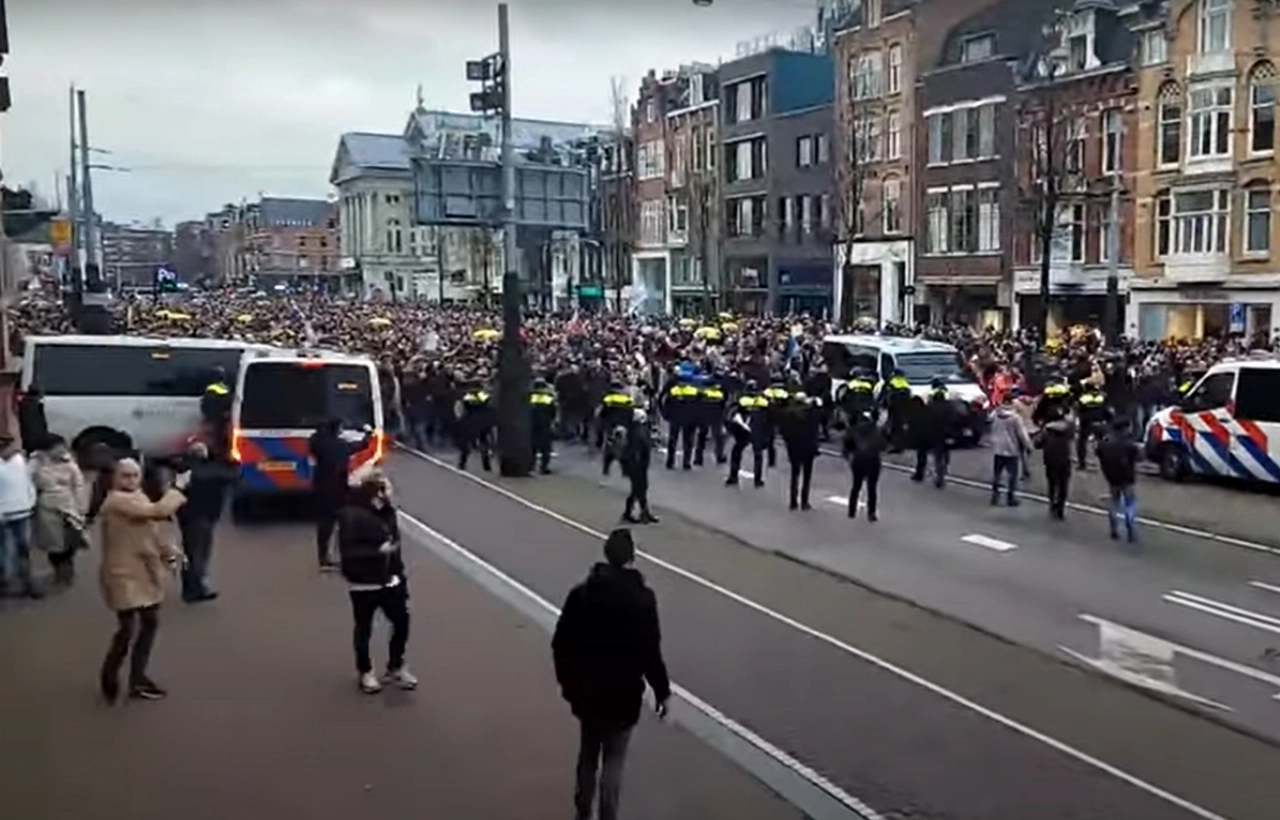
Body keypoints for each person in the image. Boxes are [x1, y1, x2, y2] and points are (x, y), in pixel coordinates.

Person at [552, 528, 671, 820]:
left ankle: (582, 811)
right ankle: (608, 814)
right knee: (615, 760)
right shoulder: (643, 600)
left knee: (588, 753)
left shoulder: (581, 594)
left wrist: (568, 682)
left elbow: (561, 642)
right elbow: (650, 651)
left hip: (587, 691)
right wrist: (661, 690)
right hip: (624, 692)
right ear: (632, 558)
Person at [96, 457, 188, 702]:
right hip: (123, 574)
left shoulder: (138, 497)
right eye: (125, 475)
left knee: (149, 624)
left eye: (136, 475)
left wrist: (170, 553)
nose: (131, 480)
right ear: (114, 477)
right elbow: (158, 512)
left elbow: (152, 529)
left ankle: (138, 679)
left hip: (145, 572)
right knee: (127, 630)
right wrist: (177, 489)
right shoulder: (115, 501)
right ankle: (109, 675)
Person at [336, 475, 416, 694]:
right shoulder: (351, 516)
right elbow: (348, 552)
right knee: (364, 628)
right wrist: (376, 552)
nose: (391, 491)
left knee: (402, 622)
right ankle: (366, 671)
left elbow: (395, 549)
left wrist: (401, 576)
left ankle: (396, 665)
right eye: (387, 488)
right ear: (377, 493)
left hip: (391, 580)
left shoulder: (389, 513)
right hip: (365, 583)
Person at [176, 439, 235, 602]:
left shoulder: (182, 469)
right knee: (199, 553)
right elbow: (232, 476)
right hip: (200, 516)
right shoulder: (203, 471)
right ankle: (196, 588)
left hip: (189, 517)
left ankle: (190, 587)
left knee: (191, 553)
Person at [30, 435, 87, 586]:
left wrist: (81, 508)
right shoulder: (35, 463)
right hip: (47, 508)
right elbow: (27, 483)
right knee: (53, 544)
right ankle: (59, 570)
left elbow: (79, 485)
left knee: (72, 540)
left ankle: (67, 565)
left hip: (69, 507)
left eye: (63, 446)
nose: (62, 450)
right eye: (57, 447)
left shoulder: (70, 463)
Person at [0, 433, 41, 599]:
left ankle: (27, 582)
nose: (6, 449)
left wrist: (31, 501)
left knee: (23, 548)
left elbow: (28, 482)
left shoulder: (20, 461)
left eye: (7, 445)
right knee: (4, 550)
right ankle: (5, 580)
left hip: (22, 512)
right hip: (3, 514)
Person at [310, 417, 353, 571]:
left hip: (321, 487)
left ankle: (323, 557)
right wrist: (368, 436)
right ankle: (344, 556)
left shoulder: (318, 442)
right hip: (339, 488)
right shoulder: (341, 445)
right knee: (343, 524)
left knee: (324, 524)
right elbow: (356, 448)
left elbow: (313, 445)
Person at [1096, 417, 1140, 543]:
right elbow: (1139, 456)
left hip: (1112, 478)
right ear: (1125, 428)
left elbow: (1098, 452)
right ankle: (1129, 523)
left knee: (1114, 502)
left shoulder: (1106, 443)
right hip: (1127, 478)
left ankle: (1113, 527)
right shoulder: (1128, 444)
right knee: (1130, 503)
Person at [989, 393, 1032, 507]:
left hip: (998, 448)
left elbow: (989, 422)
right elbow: (1022, 434)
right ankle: (1010, 497)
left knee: (997, 473)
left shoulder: (995, 414)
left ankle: (995, 495)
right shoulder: (1015, 418)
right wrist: (1028, 446)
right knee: (1012, 475)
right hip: (1011, 449)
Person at [779, 392, 820, 511]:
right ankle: (804, 501)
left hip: (794, 446)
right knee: (807, 475)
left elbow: (783, 430)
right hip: (808, 446)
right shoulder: (811, 413)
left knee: (795, 473)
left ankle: (793, 501)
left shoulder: (787, 413)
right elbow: (818, 424)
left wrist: (788, 441)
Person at [843, 410, 885, 521]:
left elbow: (847, 444)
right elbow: (883, 445)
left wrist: (848, 454)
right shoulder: (877, 430)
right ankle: (871, 513)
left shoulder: (854, 430)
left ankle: (852, 511)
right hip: (873, 460)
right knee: (872, 488)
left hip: (858, 459)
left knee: (856, 486)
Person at [1037, 403, 1076, 520]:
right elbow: (1073, 433)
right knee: (1063, 485)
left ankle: (1052, 503)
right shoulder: (1068, 428)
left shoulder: (1046, 430)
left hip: (1050, 459)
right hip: (1064, 458)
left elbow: (1038, 443)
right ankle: (1060, 507)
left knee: (1052, 483)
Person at [621, 409, 657, 524]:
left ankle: (642, 512)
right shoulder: (634, 432)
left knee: (641, 489)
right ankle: (633, 512)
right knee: (638, 489)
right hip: (635, 464)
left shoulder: (640, 430)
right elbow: (633, 450)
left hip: (641, 463)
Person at [456, 382, 495, 472]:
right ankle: (486, 464)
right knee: (484, 442)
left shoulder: (469, 395)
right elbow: (488, 404)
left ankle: (462, 462)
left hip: (470, 419)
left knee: (467, 442)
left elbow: (465, 405)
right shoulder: (483, 395)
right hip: (483, 420)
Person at [529, 378, 558, 474]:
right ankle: (543, 467)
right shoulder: (549, 397)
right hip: (545, 424)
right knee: (545, 448)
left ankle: (531, 466)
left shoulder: (529, 397)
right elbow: (553, 411)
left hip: (532, 424)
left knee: (532, 446)